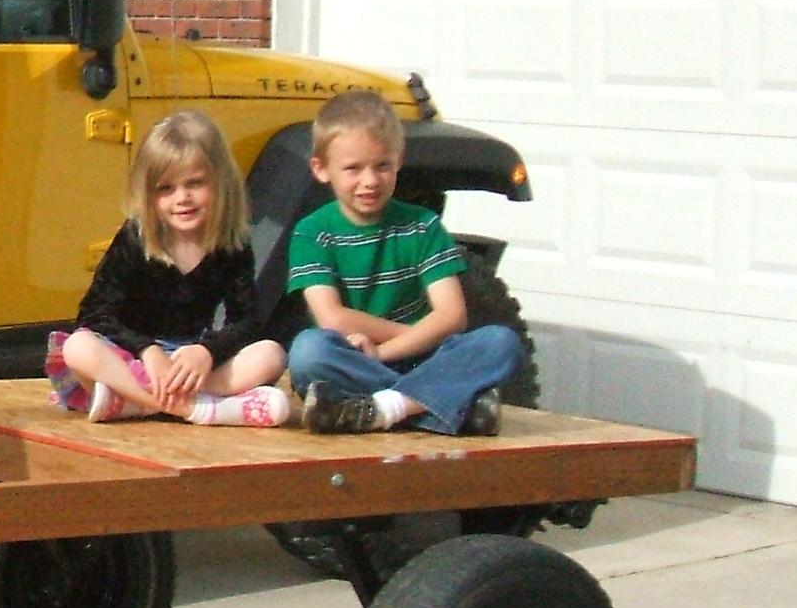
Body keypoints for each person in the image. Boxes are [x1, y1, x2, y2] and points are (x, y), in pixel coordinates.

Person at [285, 88, 522, 435]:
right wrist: (419, 335)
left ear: (399, 160)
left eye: (382, 165)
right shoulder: (312, 233)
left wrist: (384, 352)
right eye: (353, 168)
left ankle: (381, 408)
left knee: (502, 342)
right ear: (321, 169)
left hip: (417, 357)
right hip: (354, 354)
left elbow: (453, 315)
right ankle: (440, 405)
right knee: (308, 352)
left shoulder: (421, 225)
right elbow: (333, 318)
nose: (370, 181)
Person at [45, 109, 290, 427]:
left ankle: (136, 403)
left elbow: (246, 320)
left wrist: (206, 351)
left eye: (196, 183)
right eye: (166, 188)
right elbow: (94, 312)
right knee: (78, 347)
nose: (182, 198)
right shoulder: (137, 237)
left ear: (221, 182)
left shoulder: (231, 242)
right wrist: (147, 351)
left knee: (271, 354)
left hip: (188, 362)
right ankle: (197, 409)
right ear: (148, 194)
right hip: (131, 357)